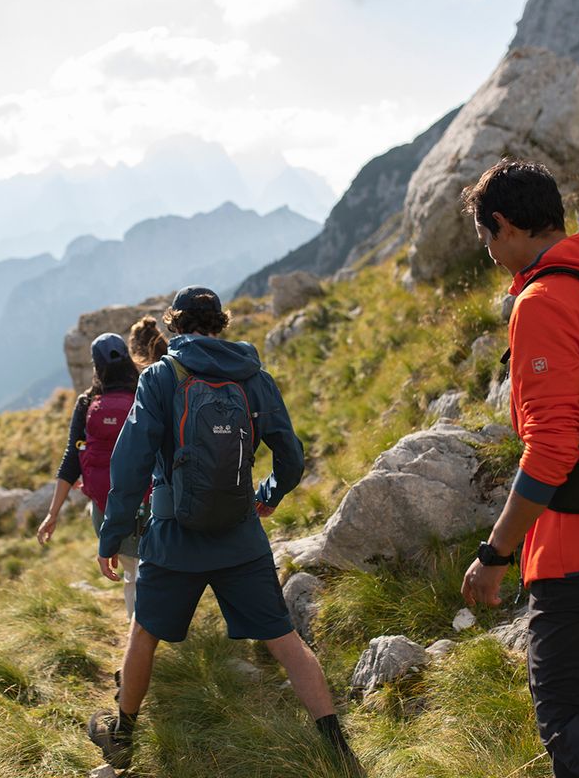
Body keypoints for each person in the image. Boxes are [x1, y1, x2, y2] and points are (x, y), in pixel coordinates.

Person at [87, 286, 363, 775]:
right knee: (285, 641)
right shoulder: (254, 377)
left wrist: (112, 535)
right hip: (240, 535)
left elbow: (129, 463)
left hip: (173, 539)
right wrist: (268, 495)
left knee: (144, 635)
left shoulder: (160, 377)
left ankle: (123, 738)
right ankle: (338, 748)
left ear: (175, 324)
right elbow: (291, 457)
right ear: (221, 324)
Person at [459, 159, 579, 777]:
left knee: (569, 723)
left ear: (504, 225)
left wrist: (495, 554)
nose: (492, 255)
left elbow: (552, 449)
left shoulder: (545, 301)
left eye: (486, 240)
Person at [37, 332, 147, 619]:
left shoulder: (88, 403)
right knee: (153, 572)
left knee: (133, 575)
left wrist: (53, 514)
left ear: (96, 367)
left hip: (106, 510)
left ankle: (142, 647)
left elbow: (71, 460)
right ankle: (159, 641)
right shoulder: (146, 392)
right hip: (149, 502)